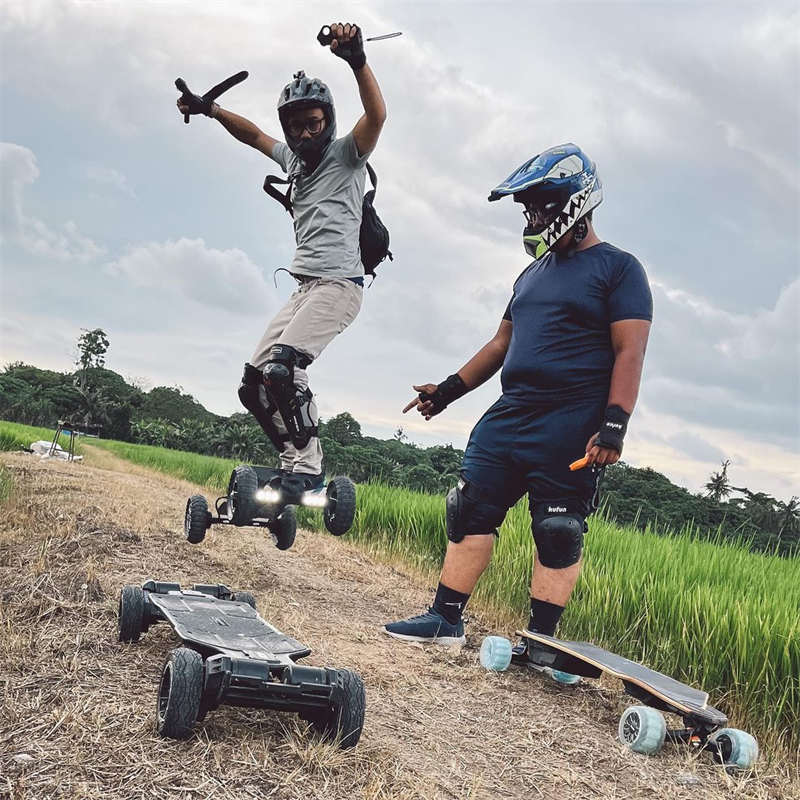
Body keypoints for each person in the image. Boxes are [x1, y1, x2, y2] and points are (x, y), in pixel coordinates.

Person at [383, 143, 652, 680]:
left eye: (541, 205)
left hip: (570, 424)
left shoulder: (620, 270)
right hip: (510, 417)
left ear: (577, 202)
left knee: (558, 530)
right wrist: (449, 389)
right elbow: (501, 343)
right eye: (527, 208)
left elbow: (630, 351)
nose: (532, 217)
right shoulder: (530, 276)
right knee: (468, 508)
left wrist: (614, 426)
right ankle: (445, 619)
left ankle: (542, 644)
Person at [177, 23, 386, 493]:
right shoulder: (292, 162)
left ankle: (311, 466)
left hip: (340, 286)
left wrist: (357, 61)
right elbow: (252, 135)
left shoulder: (347, 155)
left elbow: (376, 115)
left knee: (284, 368)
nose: (306, 132)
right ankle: (293, 459)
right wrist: (210, 109)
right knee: (253, 386)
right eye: (296, 126)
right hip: (305, 288)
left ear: (327, 121)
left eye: (314, 123)